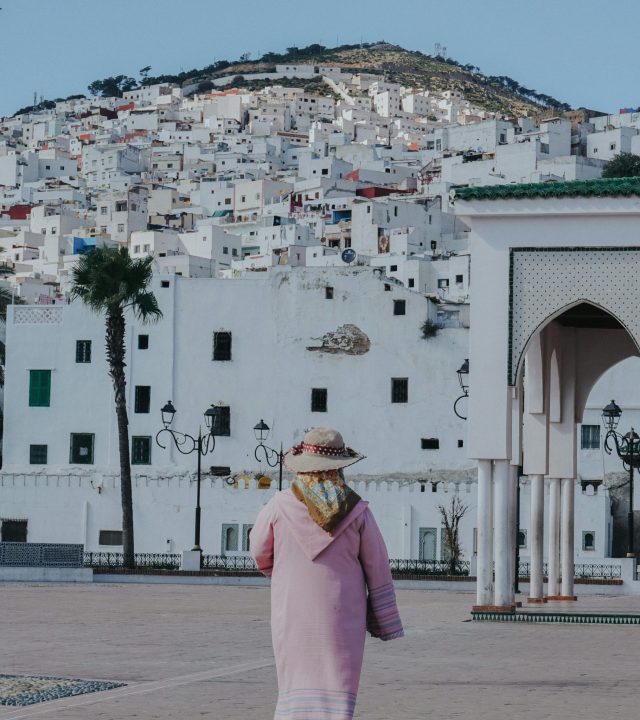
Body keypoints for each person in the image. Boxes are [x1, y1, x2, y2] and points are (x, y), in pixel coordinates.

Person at [251, 427, 403, 720]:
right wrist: (385, 621)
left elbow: (259, 551)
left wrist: (281, 574)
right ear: (340, 467)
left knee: (294, 684)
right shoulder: (357, 510)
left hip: (291, 610)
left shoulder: (278, 506)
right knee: (337, 687)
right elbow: (378, 565)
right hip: (343, 615)